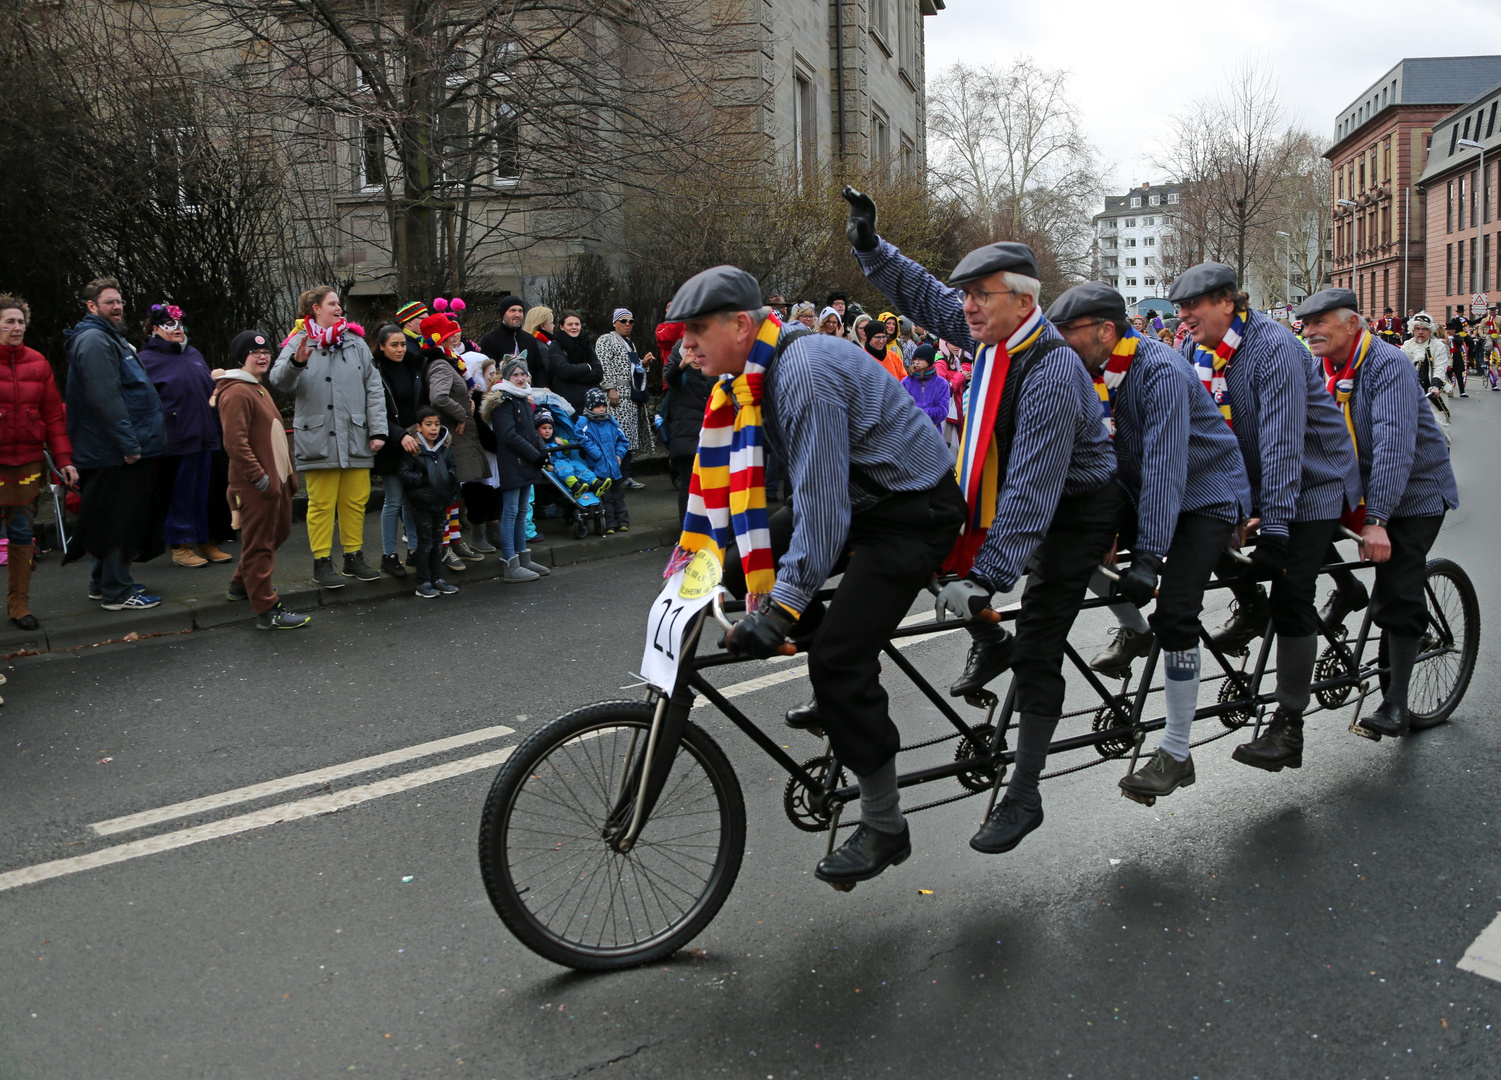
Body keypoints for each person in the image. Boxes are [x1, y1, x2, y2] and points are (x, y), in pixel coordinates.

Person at [669, 265, 965, 884]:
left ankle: (885, 825)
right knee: (731, 565)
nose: (684, 346)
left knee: (836, 657)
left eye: (697, 331)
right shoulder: (748, 378)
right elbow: (767, 501)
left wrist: (779, 609)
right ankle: (833, 690)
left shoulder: (801, 373)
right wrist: (702, 572)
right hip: (858, 502)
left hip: (912, 512)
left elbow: (824, 510)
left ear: (741, 325)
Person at [844, 186, 1117, 856]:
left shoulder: (1050, 372)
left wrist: (989, 577)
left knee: (1041, 646)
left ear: (1022, 302)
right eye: (964, 295)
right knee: (919, 548)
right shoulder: (992, 334)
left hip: (1076, 511)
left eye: (980, 294)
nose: (964, 306)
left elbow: (1030, 489)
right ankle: (971, 644)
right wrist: (871, 248)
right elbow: (921, 295)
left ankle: (1023, 795)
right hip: (1014, 493)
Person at [1047, 282, 1250, 800]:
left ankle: (1177, 752)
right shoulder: (1092, 371)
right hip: (1146, 492)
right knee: (1076, 548)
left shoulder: (1160, 370)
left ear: (1105, 332)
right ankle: (1134, 631)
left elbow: (1166, 465)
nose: (1061, 343)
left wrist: (1150, 557)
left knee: (1177, 614)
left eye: (1069, 333)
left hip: (1204, 494)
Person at [1168, 264, 1360, 774]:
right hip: (1252, 474)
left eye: (1193, 306)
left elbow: (1282, 444)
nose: (1182, 317)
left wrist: (1273, 526)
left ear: (1228, 301)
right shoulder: (1194, 350)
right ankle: (1251, 606)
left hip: (1312, 480)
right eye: (1179, 308)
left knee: (1292, 596)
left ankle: (1289, 726)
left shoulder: (1272, 346)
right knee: (1202, 535)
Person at [1296, 289, 1457, 737]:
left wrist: (1378, 520)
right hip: (1355, 485)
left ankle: (1396, 704)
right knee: (1297, 523)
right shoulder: (1318, 367)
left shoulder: (1388, 364)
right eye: (1305, 325)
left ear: (1352, 324)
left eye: (1319, 324)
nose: (1308, 332)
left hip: (1413, 492)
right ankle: (1348, 590)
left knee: (1397, 581)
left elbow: (1393, 448)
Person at [270, 285, 387, 588]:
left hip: (356, 436)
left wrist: (377, 430)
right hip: (318, 437)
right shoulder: (299, 341)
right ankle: (321, 561)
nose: (339, 309)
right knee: (321, 504)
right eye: (332, 304)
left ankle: (354, 557)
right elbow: (278, 381)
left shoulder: (356, 343)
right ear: (315, 309)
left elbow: (374, 389)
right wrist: (296, 363)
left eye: (340, 305)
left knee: (355, 501)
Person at [62, 277, 167, 611]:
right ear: (92, 306)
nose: (117, 306)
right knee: (120, 521)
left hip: (113, 449)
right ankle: (117, 592)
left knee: (107, 519)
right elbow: (105, 398)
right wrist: (129, 444)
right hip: (114, 452)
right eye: (109, 302)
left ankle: (103, 583)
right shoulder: (94, 340)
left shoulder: (106, 337)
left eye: (119, 300)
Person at [216, 331, 310, 629]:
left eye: (266, 352)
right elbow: (235, 443)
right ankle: (267, 610)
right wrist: (259, 479)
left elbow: (276, 436)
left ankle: (240, 585)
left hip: (276, 484)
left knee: (276, 535)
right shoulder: (236, 392)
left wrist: (289, 477)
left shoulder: (257, 388)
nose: (262, 357)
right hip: (256, 486)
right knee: (259, 546)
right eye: (254, 353)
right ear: (241, 358)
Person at [0, 296, 76, 630]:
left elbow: (53, 419)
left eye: (20, 322)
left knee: (20, 535)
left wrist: (64, 461)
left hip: (28, 464)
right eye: (9, 322)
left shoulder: (38, 363)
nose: (17, 328)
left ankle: (19, 606)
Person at [137, 302, 227, 570]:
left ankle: (206, 541)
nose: (177, 329)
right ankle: (181, 545)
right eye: (169, 324)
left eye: (179, 323)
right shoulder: (146, 361)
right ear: (155, 329)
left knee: (208, 491)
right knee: (181, 493)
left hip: (205, 435)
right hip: (176, 440)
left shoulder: (194, 354)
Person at [415, 311, 487, 567]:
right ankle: (445, 546)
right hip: (450, 436)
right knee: (447, 493)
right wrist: (462, 413)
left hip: (456, 434)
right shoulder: (440, 365)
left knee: (454, 491)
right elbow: (438, 397)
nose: (456, 337)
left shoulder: (448, 361)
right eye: (450, 334)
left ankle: (455, 538)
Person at [481, 358, 551, 582]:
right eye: (516, 375)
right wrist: (534, 454)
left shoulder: (521, 397)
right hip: (513, 463)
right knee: (510, 513)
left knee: (522, 511)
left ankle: (523, 557)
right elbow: (508, 435)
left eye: (524, 374)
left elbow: (532, 430)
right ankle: (510, 563)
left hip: (526, 462)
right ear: (507, 377)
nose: (521, 378)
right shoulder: (503, 400)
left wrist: (542, 451)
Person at [370, 325, 424, 576]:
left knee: (412, 501)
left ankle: (415, 550)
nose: (400, 349)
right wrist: (399, 435)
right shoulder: (375, 371)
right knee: (393, 500)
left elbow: (419, 403)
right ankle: (389, 555)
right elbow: (376, 410)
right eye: (394, 345)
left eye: (403, 344)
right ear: (381, 346)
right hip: (391, 443)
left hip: (413, 440)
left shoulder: (413, 366)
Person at [398, 406, 460, 598]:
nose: (434, 428)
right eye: (428, 424)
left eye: (437, 424)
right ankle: (423, 581)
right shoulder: (413, 450)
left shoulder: (444, 449)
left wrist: (449, 484)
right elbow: (405, 474)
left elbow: (452, 469)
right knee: (425, 544)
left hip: (441, 502)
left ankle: (437, 578)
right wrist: (425, 480)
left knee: (438, 542)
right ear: (419, 427)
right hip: (422, 504)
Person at [594, 307, 651, 488]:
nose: (628, 325)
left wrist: (643, 364)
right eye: (623, 321)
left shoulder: (629, 343)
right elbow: (603, 363)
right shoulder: (606, 340)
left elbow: (633, 369)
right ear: (614, 323)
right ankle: (615, 476)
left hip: (631, 396)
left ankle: (625, 475)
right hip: (617, 396)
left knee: (627, 438)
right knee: (617, 436)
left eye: (631, 321)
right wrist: (610, 388)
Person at [664, 337, 716, 527]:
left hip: (707, 439)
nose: (695, 358)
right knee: (688, 485)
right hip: (687, 440)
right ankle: (686, 529)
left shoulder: (711, 375)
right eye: (691, 354)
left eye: (699, 354)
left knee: (708, 486)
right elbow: (671, 378)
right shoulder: (682, 376)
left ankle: (703, 527)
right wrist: (682, 364)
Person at [576, 387, 630, 533]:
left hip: (614, 466)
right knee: (605, 498)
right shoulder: (584, 423)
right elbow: (584, 440)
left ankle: (623, 521)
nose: (601, 409)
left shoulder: (610, 421)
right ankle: (609, 524)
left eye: (603, 406)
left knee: (618, 496)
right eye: (597, 406)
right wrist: (598, 455)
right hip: (598, 467)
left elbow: (623, 440)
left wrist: (619, 455)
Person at [481, 296, 547, 388]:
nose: (517, 314)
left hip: (531, 394)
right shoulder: (490, 340)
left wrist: (542, 387)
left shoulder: (529, 339)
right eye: (513, 310)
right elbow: (489, 373)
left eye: (520, 311)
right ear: (503, 314)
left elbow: (539, 369)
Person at [549, 309, 604, 415]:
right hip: (566, 403)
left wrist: (573, 377)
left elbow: (598, 373)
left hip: (588, 403)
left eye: (577, 324)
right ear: (562, 326)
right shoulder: (556, 345)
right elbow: (564, 371)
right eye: (570, 324)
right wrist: (587, 367)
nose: (574, 327)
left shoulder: (586, 344)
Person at [901, 343, 950, 431]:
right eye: (915, 359)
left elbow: (942, 411)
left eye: (920, 359)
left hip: (932, 432)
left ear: (929, 360)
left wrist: (918, 413)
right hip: (910, 432)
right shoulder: (906, 381)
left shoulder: (941, 383)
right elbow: (900, 407)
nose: (916, 362)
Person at [1445, 310, 1471, 395]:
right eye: (1450, 330)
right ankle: (1449, 390)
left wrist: (1454, 338)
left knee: (1459, 374)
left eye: (1452, 330)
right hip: (1447, 356)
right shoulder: (1445, 338)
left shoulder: (1457, 336)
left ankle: (1462, 391)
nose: (1451, 331)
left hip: (1456, 355)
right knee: (1448, 373)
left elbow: (1460, 342)